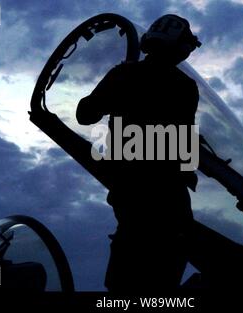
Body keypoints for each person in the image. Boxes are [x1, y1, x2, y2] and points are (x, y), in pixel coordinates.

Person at [76, 14, 201, 292]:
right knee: (160, 275)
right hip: (168, 199)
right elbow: (185, 144)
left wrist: (112, 94)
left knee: (125, 278)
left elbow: (85, 114)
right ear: (180, 48)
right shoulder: (184, 87)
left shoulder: (123, 75)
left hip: (130, 194)